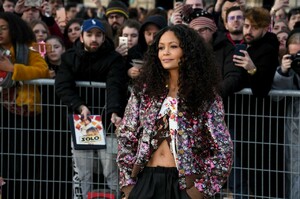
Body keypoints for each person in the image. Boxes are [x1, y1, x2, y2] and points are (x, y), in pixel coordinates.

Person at [116, 24, 233, 199]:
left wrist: (199, 191)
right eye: (161, 47)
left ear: (188, 52)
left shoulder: (205, 96)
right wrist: (128, 186)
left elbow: (223, 149)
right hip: (145, 181)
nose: (165, 52)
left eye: (173, 46)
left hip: (186, 185)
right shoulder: (144, 92)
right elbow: (127, 136)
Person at [55, 18, 127, 199]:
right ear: (81, 37)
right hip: (83, 122)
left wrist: (114, 112)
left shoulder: (114, 59)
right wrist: (79, 106)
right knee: (83, 172)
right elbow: (63, 86)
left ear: (104, 38)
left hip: (109, 123)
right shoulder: (69, 57)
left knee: (111, 171)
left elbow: (115, 86)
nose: (93, 38)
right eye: (89, 34)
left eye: (98, 35)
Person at [0, 12, 50, 199]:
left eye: (4, 28)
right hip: (2, 111)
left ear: (13, 28)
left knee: (22, 161)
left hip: (24, 112)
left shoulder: (29, 48)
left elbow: (43, 70)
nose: (0, 32)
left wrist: (13, 69)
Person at [272, 27, 300, 199]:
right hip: (294, 125)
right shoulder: (286, 69)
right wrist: (283, 71)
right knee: (295, 168)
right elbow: (277, 96)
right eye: (294, 55)